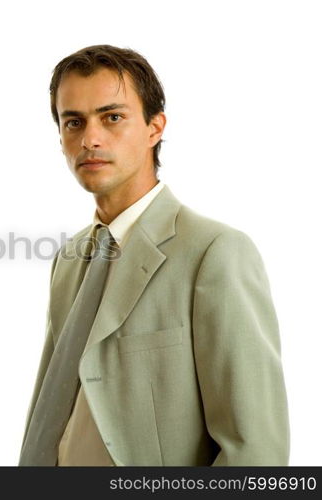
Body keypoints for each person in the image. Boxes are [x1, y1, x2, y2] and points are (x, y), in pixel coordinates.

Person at [19, 45, 288, 466]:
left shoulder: (213, 252)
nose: (90, 138)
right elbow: (52, 405)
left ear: (154, 127)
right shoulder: (69, 259)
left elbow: (255, 450)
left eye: (112, 117)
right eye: (74, 122)